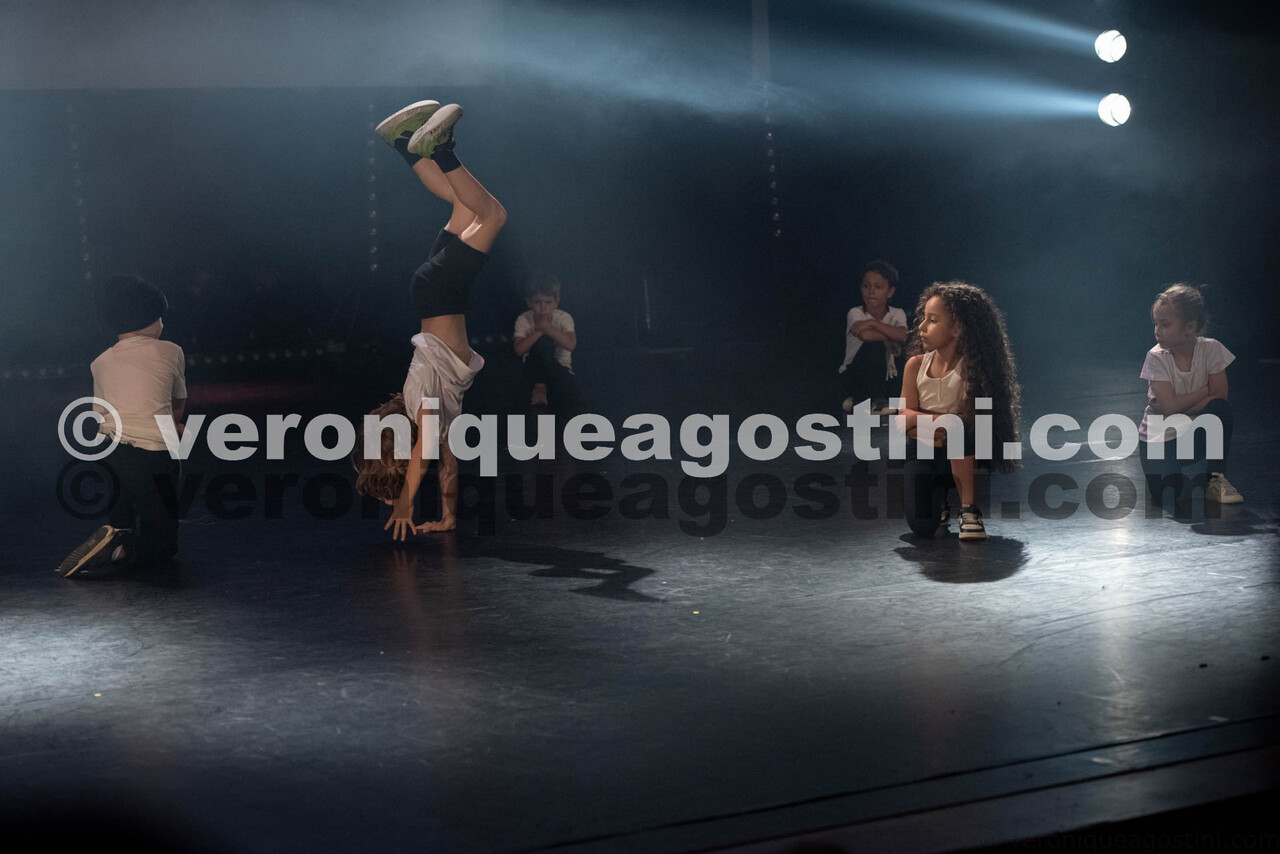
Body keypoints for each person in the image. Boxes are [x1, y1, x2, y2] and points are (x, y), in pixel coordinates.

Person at [353, 100, 506, 540]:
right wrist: (448, 517)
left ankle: (440, 148)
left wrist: (403, 501)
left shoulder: (421, 398)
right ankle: (403, 142)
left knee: (493, 215)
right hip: (434, 293)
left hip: (441, 292)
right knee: (465, 207)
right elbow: (448, 465)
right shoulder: (436, 421)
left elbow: (421, 455)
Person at [56, 275, 187, 576]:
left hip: (112, 452)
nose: (162, 324)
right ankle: (127, 551)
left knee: (124, 493)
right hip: (154, 454)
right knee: (163, 540)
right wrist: (175, 428)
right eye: (159, 318)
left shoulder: (100, 362)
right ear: (146, 321)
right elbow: (177, 402)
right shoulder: (171, 351)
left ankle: (119, 531)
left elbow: (101, 414)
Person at [896, 281, 1020, 541]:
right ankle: (938, 498)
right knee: (922, 527)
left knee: (961, 430)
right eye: (923, 318)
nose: (921, 327)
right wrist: (941, 422)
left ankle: (969, 509)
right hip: (923, 448)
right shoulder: (915, 365)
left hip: (964, 449)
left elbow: (968, 422)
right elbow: (902, 421)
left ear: (957, 328)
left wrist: (921, 420)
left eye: (932, 321)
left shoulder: (972, 369)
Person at [1138, 283, 1241, 506]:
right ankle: (1172, 478)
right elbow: (1169, 408)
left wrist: (1179, 407)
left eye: (1165, 324)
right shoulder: (1156, 357)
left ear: (1190, 327)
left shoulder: (1211, 349)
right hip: (1159, 442)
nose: (1157, 330)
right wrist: (1205, 391)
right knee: (1168, 496)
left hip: (1192, 435)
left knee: (1220, 410)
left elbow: (1220, 396)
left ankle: (1216, 480)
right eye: (1156, 323)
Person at [839, 260, 909, 416]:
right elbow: (865, 335)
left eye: (878, 287)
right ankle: (875, 402)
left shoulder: (897, 313)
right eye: (866, 286)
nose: (871, 291)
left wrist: (872, 323)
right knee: (875, 345)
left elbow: (904, 336)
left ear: (889, 292)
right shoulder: (855, 313)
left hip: (887, 374)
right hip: (855, 374)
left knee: (904, 353)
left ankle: (858, 402)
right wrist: (890, 338)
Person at [512, 271, 583, 413]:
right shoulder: (524, 319)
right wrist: (539, 331)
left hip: (560, 368)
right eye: (538, 302)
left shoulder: (563, 318)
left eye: (548, 302)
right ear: (529, 302)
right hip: (532, 369)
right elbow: (519, 350)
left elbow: (570, 345)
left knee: (576, 397)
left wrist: (547, 328)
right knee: (542, 342)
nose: (543, 307)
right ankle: (539, 386)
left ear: (556, 302)